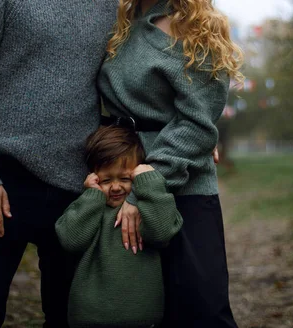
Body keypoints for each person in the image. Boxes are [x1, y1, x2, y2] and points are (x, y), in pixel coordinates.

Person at [0, 0, 118, 326]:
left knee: (73, 318)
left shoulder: (112, 5)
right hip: (0, 184)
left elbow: (132, 79)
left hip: (78, 190)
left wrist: (193, 129)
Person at [97, 0, 244, 327]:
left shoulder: (200, 27)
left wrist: (144, 192)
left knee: (201, 311)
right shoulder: (121, 18)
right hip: (119, 178)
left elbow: (197, 124)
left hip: (184, 187)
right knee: (131, 312)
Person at [55, 125, 183, 328]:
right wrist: (92, 195)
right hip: (90, 318)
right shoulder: (90, 207)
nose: (115, 187)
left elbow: (163, 232)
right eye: (106, 180)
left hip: (144, 319)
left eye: (125, 178)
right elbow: (70, 240)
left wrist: (149, 183)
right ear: (93, 177)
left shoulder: (146, 209)